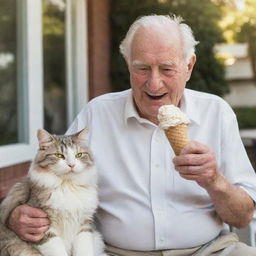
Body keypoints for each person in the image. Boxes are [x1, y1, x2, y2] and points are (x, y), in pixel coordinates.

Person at [7, 14, 256, 255]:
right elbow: (47, 178)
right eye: (142, 68)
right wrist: (16, 215)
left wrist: (214, 180)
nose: (154, 83)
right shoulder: (97, 113)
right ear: (128, 64)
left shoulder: (217, 113)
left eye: (167, 69)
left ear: (188, 66)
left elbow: (242, 217)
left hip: (209, 250)